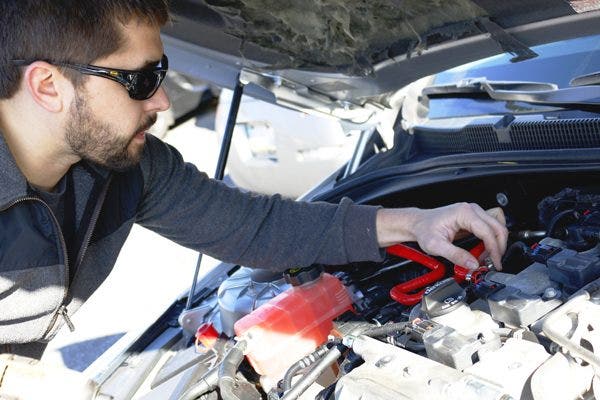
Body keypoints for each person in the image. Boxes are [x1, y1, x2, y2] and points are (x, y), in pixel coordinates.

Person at [0, 0, 508, 359]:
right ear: (48, 86)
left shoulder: (130, 168)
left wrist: (418, 222)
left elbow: (257, 228)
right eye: (142, 79)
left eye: (163, 74)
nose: (161, 101)